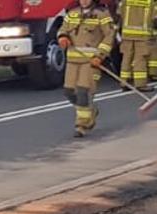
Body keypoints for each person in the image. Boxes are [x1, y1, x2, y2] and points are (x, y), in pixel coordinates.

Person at [57, 0, 115, 137]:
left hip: (90, 61)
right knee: (68, 91)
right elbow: (63, 29)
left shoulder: (102, 14)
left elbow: (109, 36)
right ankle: (90, 110)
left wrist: (100, 56)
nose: (84, 1)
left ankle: (81, 125)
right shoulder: (72, 13)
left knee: (83, 91)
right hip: (72, 60)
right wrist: (62, 37)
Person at [117, 0, 157, 89]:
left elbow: (118, 15)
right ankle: (140, 84)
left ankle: (125, 82)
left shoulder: (125, 1)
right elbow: (156, 20)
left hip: (126, 34)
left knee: (126, 58)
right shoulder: (150, 2)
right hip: (143, 35)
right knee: (140, 59)